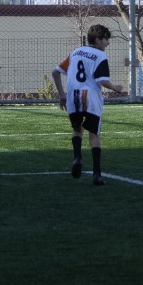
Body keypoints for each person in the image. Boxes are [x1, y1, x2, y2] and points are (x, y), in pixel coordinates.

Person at [52, 23, 126, 186]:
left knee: (77, 130)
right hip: (91, 98)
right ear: (98, 40)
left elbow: (55, 72)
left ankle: (77, 157)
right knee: (94, 135)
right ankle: (97, 175)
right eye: (106, 39)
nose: (108, 43)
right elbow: (102, 81)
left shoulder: (75, 53)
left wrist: (62, 95)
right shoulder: (100, 55)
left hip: (73, 97)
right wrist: (116, 87)